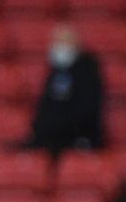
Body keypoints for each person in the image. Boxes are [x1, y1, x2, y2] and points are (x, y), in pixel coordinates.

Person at [27, 24, 106, 155]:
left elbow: (88, 107)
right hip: (51, 137)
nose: (58, 46)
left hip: (78, 136)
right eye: (56, 41)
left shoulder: (87, 70)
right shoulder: (56, 70)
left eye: (63, 41)